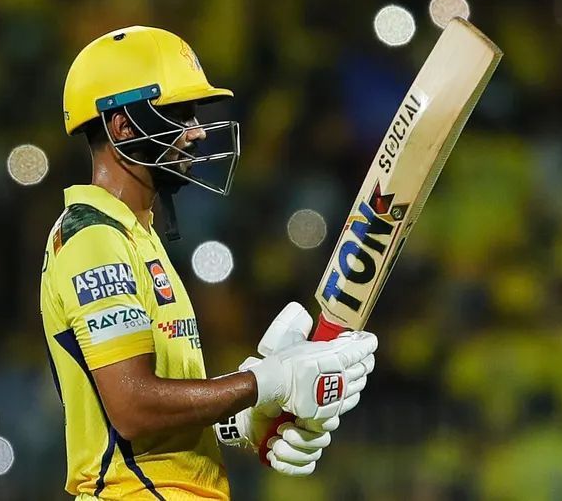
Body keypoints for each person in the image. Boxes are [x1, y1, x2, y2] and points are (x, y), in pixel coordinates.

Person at [41, 25, 378, 499]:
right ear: (123, 127)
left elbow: (154, 420)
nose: (197, 131)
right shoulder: (93, 237)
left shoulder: (136, 235)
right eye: (180, 114)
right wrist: (266, 381)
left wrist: (240, 421)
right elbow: (132, 407)